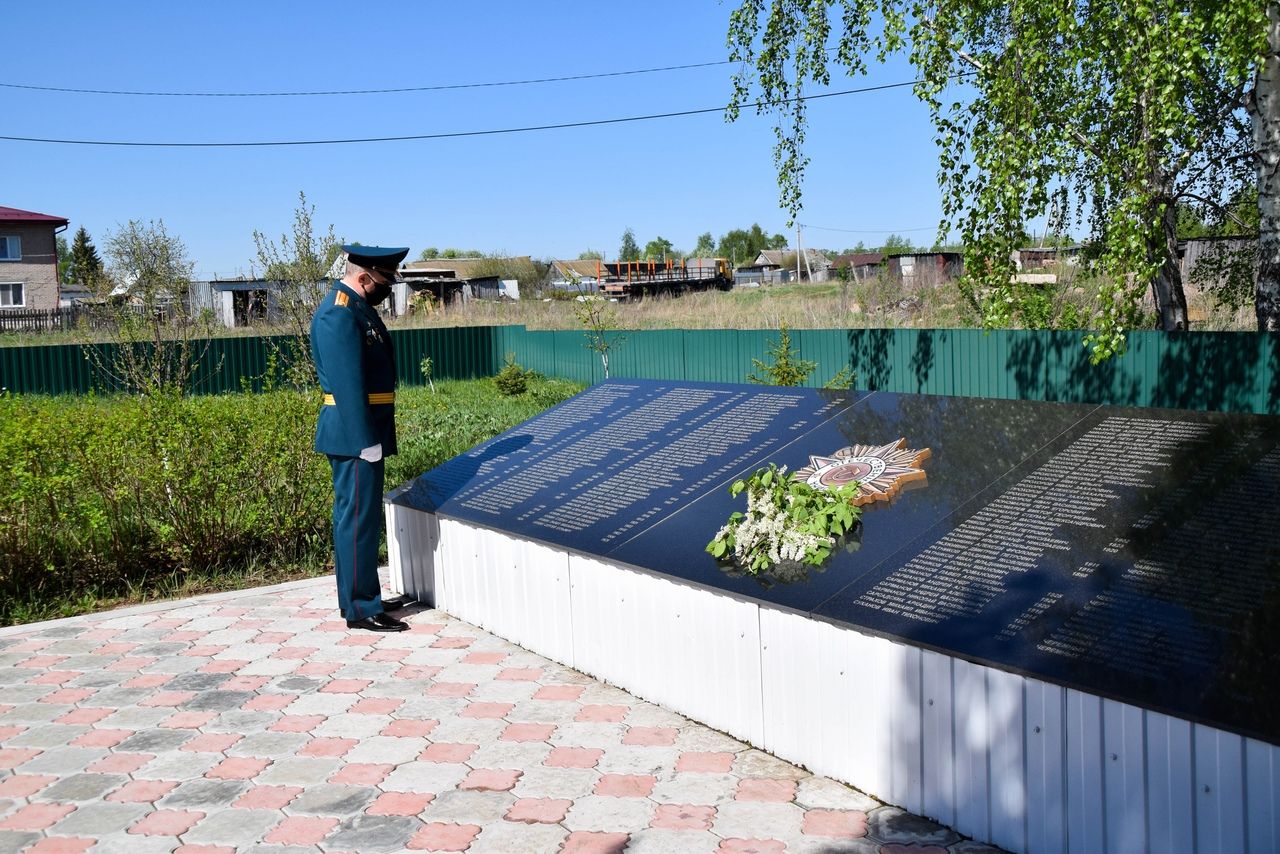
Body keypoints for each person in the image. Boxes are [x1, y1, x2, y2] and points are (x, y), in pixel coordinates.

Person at [310, 244, 410, 632]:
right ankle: (360, 608)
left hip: (365, 430)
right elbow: (348, 384)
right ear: (363, 277)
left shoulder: (354, 307)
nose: (386, 290)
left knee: (362, 518)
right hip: (355, 434)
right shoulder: (339, 312)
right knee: (356, 520)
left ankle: (361, 593)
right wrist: (366, 439)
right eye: (383, 283)